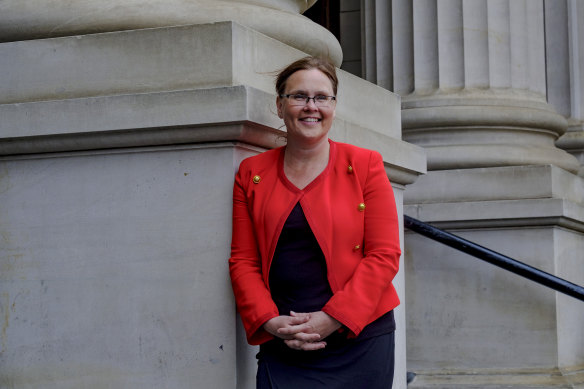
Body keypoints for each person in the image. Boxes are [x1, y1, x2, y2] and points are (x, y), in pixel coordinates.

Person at [229, 56, 401, 388]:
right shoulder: (251, 174)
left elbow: (384, 255)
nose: (311, 107)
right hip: (284, 338)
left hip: (360, 338)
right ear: (280, 106)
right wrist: (269, 321)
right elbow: (243, 261)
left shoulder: (366, 165)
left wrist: (333, 318)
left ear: (334, 106)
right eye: (299, 96)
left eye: (322, 97)